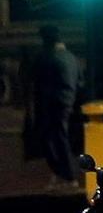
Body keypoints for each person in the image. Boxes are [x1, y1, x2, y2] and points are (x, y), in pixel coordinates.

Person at [32, 24, 82, 189]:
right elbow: (80, 81)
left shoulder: (48, 57)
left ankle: (67, 175)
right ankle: (61, 174)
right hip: (68, 101)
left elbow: (36, 78)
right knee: (60, 137)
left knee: (53, 139)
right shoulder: (71, 57)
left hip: (52, 103)